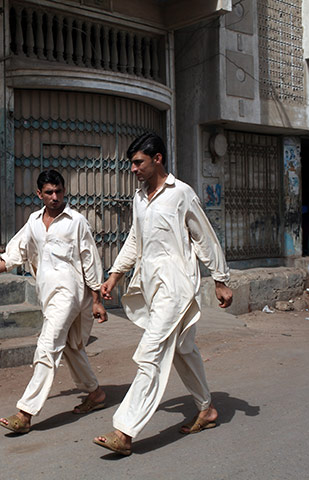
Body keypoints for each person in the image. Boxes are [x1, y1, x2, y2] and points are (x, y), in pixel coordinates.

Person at [92, 132, 233, 456]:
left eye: (138, 162)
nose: (133, 169)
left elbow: (205, 238)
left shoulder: (181, 193)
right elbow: (134, 240)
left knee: (150, 353)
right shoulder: (140, 198)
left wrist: (220, 279)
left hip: (178, 286)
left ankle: (125, 431)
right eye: (131, 163)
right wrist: (114, 276)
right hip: (153, 288)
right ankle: (206, 408)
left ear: (157, 159)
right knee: (184, 348)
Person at [0, 169, 108, 434]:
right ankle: (96, 393)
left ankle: (26, 412)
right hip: (48, 294)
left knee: (47, 345)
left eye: (59, 191)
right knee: (71, 347)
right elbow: (13, 255)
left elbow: (90, 261)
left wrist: (96, 299)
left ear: (64, 191)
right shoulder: (33, 222)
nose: (55, 197)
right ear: (39, 194)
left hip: (71, 294)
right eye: (49, 192)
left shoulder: (76, 221)